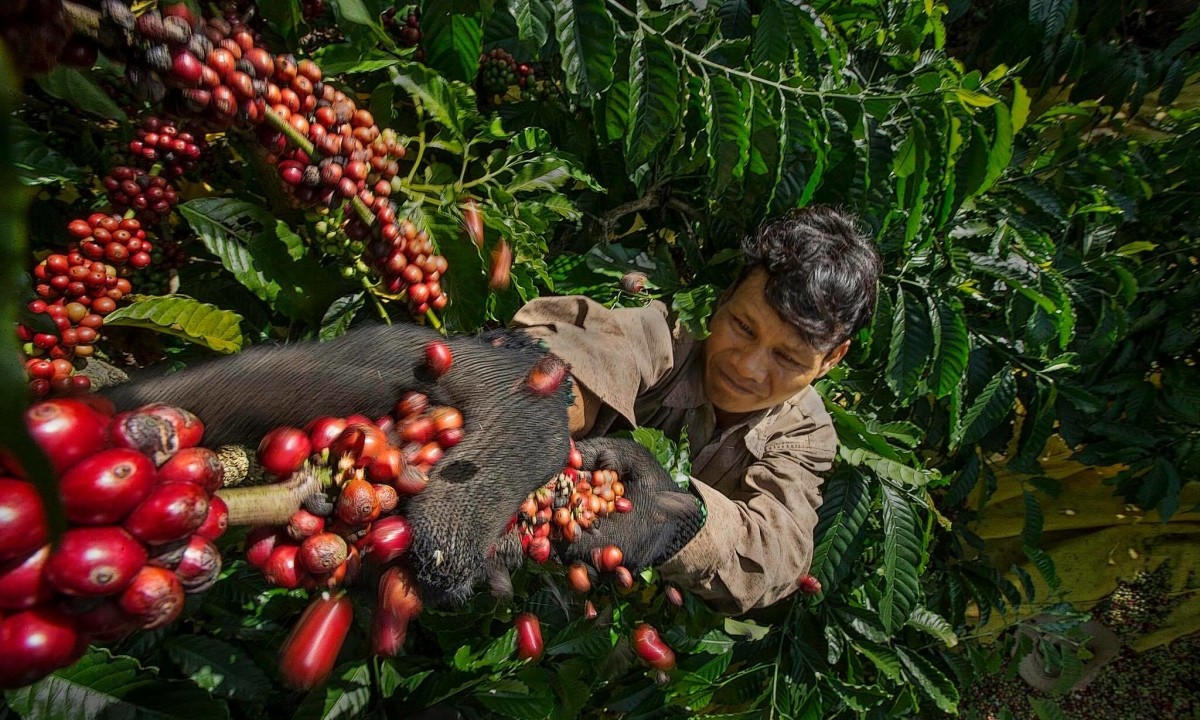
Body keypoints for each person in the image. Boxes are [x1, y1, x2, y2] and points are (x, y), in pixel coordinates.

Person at [509, 205, 881, 614]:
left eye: (788, 358)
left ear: (831, 360)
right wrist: (542, 410)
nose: (747, 367)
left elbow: (779, 554)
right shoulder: (674, 334)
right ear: (725, 297)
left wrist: (676, 520)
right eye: (742, 327)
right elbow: (605, 349)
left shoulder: (805, 433)